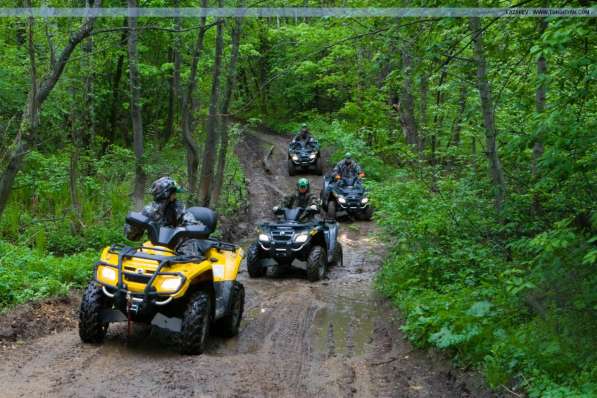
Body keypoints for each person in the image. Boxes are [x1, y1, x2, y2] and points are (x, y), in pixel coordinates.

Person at [124, 176, 204, 256]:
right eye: (173, 193)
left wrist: (194, 227)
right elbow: (131, 236)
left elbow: (189, 219)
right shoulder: (149, 210)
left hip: (179, 249)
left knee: (193, 258)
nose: (175, 196)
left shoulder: (178, 208)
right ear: (167, 194)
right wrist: (134, 226)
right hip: (155, 248)